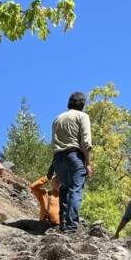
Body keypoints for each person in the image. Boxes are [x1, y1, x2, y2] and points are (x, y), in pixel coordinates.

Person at [50, 91, 93, 235]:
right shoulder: (82, 116)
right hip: (74, 156)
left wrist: (52, 167)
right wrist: (88, 163)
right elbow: (86, 142)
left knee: (64, 190)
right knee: (75, 191)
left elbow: (54, 143)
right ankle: (71, 227)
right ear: (82, 104)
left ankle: (62, 223)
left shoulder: (58, 119)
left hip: (57, 159)